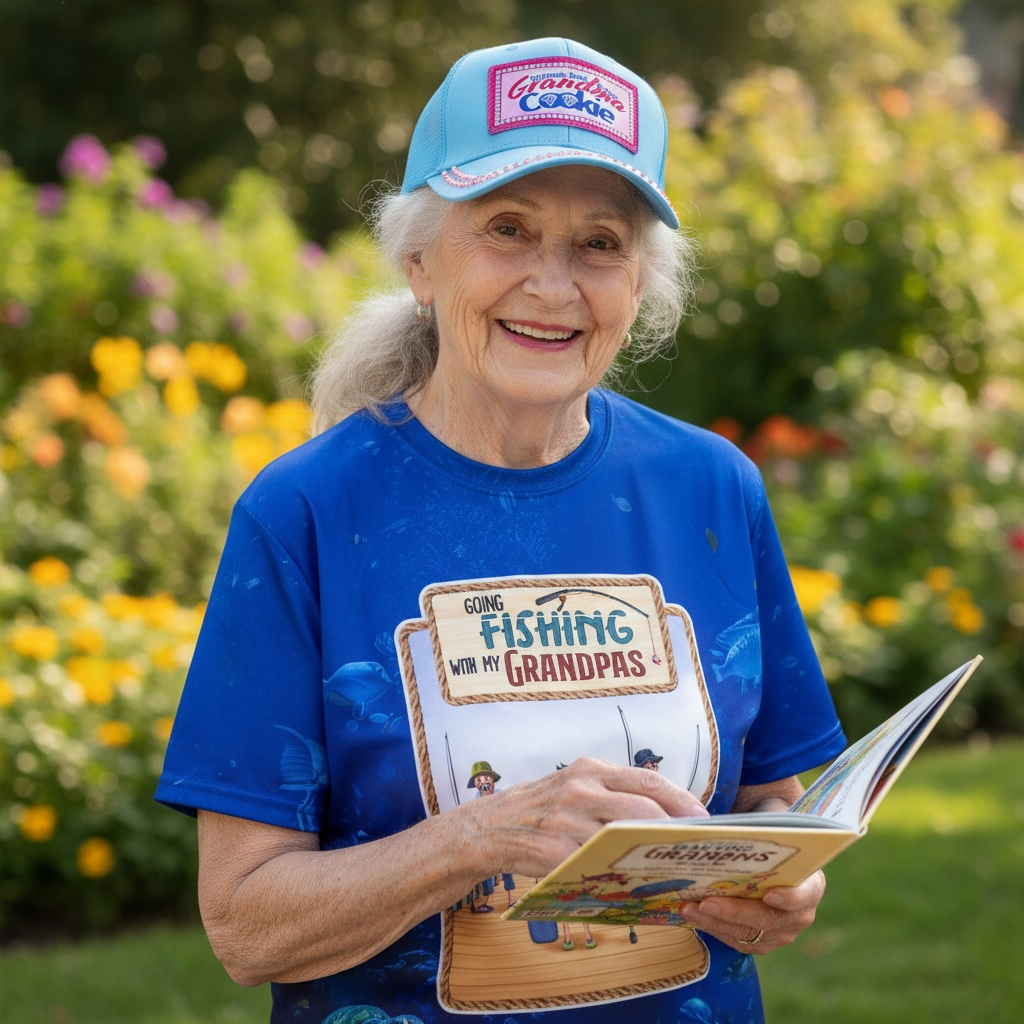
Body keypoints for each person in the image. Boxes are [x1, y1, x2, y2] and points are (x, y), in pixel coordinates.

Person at [157, 36, 847, 1024]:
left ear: (639, 285)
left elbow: (773, 800)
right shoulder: (306, 511)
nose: (554, 284)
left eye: (599, 244)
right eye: (507, 229)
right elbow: (244, 922)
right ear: (420, 262)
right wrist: (486, 837)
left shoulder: (711, 487)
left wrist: (778, 881)